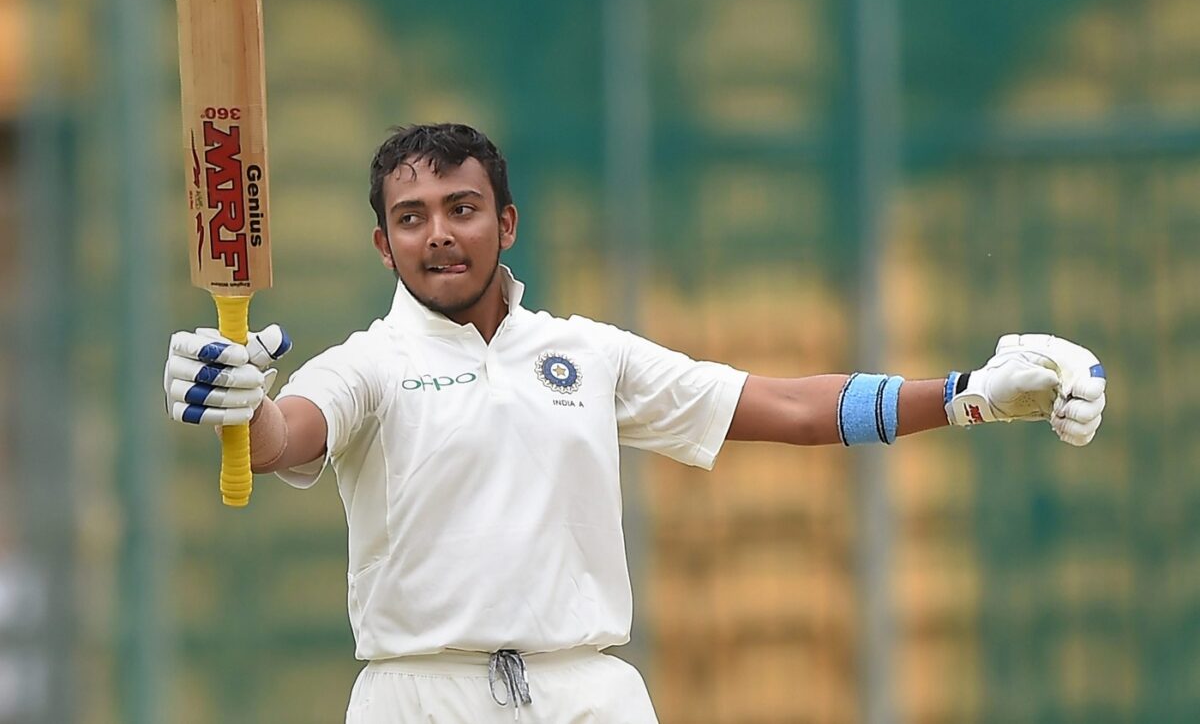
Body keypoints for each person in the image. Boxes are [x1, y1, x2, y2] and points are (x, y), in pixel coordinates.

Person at [163, 123, 1106, 723]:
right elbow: (289, 432)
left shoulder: (585, 352)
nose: (438, 232)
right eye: (411, 217)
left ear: (507, 223)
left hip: (587, 692)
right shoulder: (367, 362)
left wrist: (970, 394)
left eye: (462, 208)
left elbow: (784, 406)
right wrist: (238, 401)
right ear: (383, 243)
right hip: (418, 696)